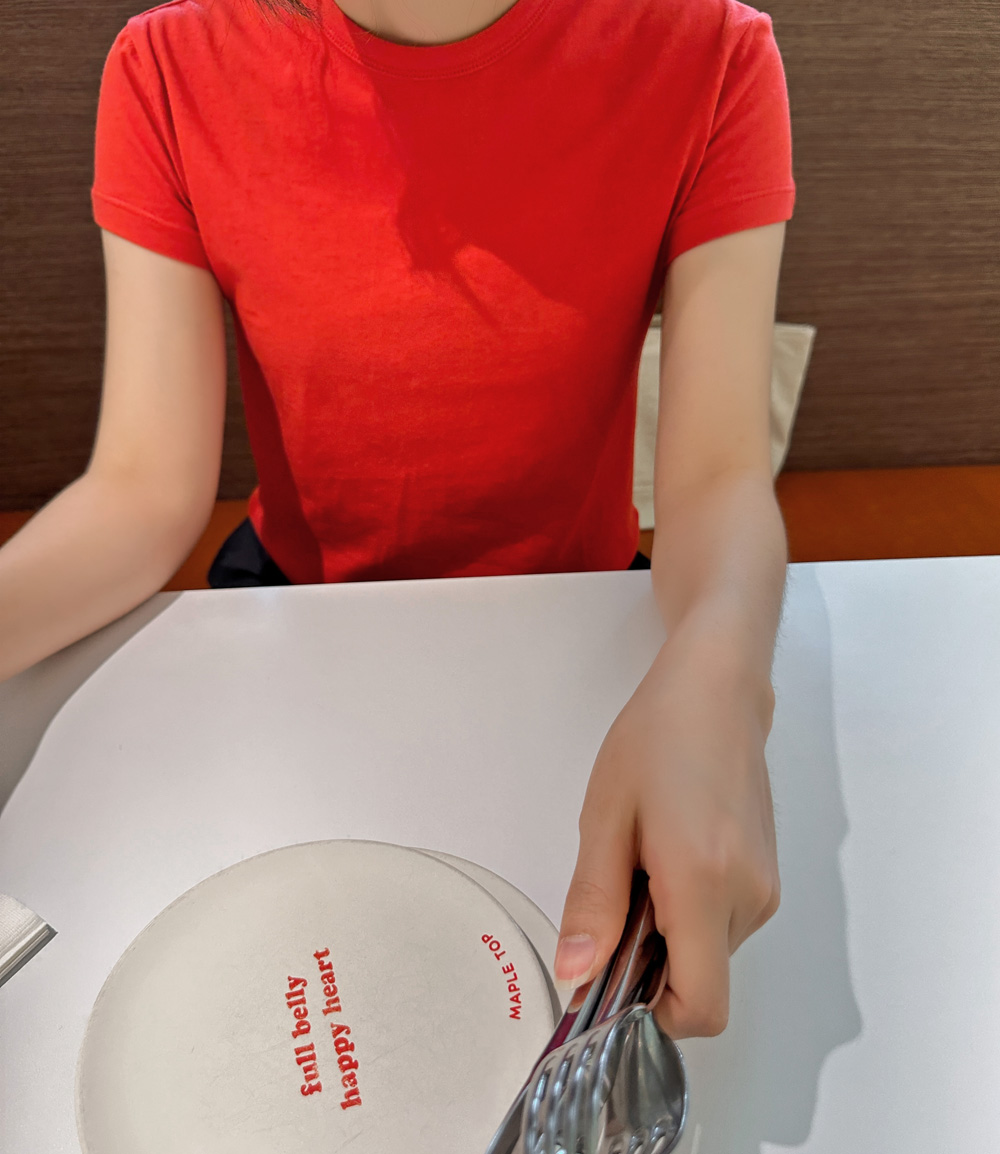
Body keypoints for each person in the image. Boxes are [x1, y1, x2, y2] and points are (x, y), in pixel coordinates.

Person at [0, 0, 794, 1040]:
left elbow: (719, 473)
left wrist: (723, 672)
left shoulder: (710, 55)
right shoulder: (169, 67)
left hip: (578, 622)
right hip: (294, 616)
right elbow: (142, 487)